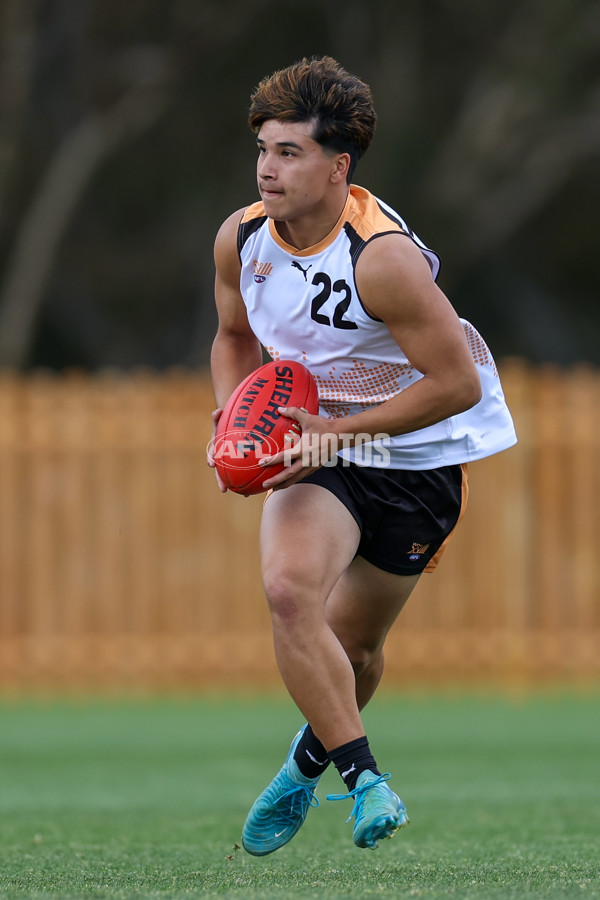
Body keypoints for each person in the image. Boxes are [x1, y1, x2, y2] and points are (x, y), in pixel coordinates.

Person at [208, 56, 517, 855]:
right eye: (264, 150)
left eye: (290, 153)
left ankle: (304, 765)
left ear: (338, 165)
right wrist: (234, 420)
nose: (267, 170)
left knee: (357, 651)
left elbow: (455, 384)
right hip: (322, 449)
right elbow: (235, 337)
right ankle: (365, 779)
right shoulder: (242, 239)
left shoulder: (381, 259)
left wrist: (338, 432)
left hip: (417, 452)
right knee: (287, 591)